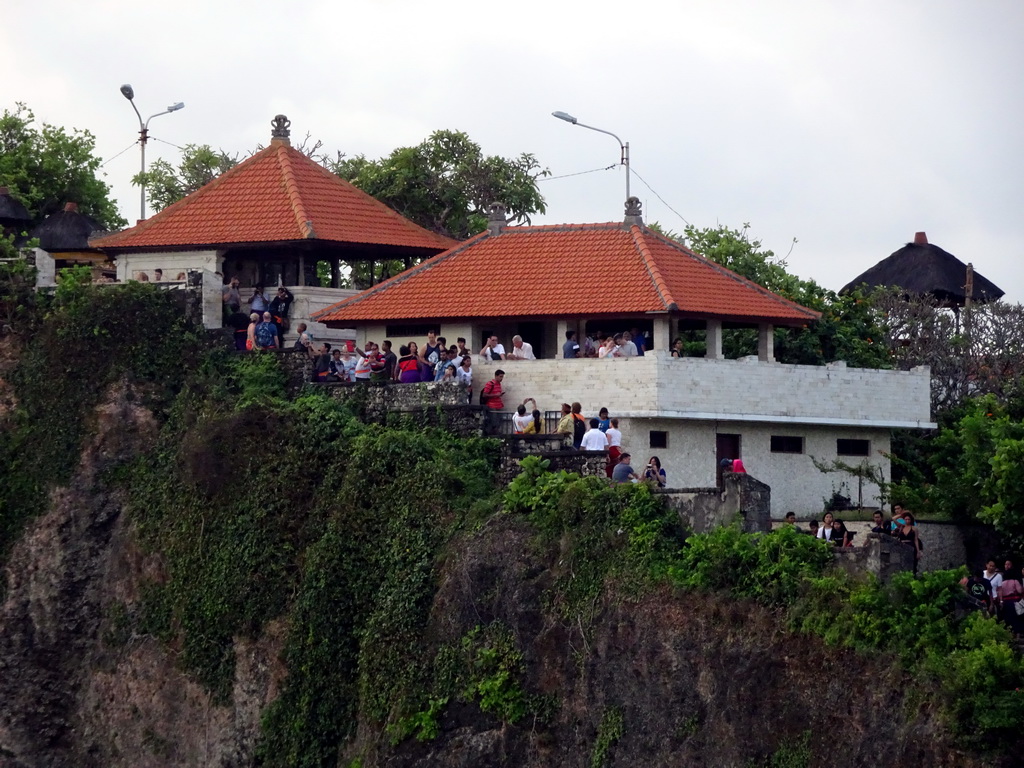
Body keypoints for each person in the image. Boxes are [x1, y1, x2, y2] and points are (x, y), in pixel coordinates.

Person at [996, 561, 1022, 636]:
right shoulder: (1015, 581)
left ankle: (1009, 635)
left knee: (1007, 619)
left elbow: (999, 593)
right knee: (1016, 618)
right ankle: (1017, 635)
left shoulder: (1002, 583)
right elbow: (1020, 591)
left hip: (1005, 602)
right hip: (1014, 602)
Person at [480, 369, 505, 435]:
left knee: (499, 420)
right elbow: (484, 395)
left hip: (498, 405)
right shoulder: (490, 384)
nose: (501, 378)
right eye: (500, 376)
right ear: (496, 376)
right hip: (492, 406)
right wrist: (495, 395)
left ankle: (495, 433)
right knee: (493, 421)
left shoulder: (499, 384)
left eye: (502, 377)